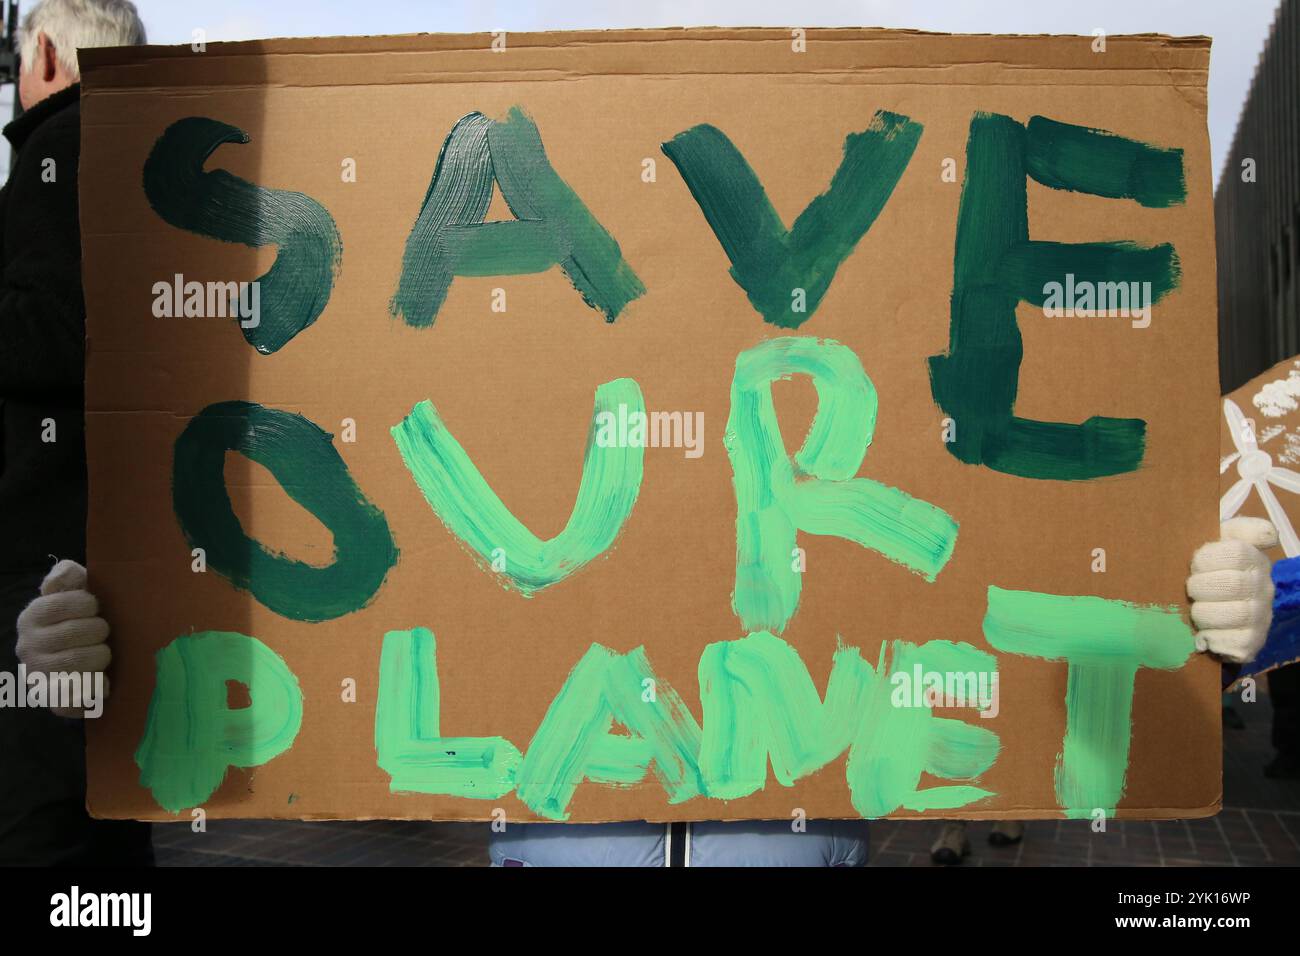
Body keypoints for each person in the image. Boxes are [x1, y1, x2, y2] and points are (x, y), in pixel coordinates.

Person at [0, 0, 149, 866]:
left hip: (42, 573)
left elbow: (55, 329)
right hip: (107, 547)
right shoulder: (133, 149)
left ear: (46, 53)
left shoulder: (62, 145)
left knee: (37, 821)